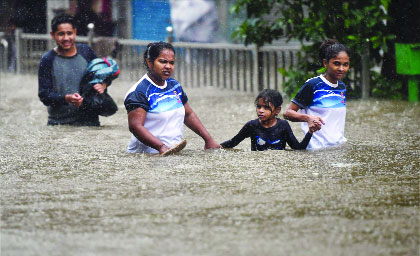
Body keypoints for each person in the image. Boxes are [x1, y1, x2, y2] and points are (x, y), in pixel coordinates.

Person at [124, 41, 221, 154]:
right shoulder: (139, 92)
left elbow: (188, 114)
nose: (168, 66)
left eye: (171, 62)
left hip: (172, 153)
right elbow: (135, 127)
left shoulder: (174, 86)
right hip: (145, 157)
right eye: (163, 62)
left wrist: (208, 140)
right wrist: (161, 147)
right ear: (149, 62)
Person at [38, 14, 108, 126]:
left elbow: (102, 74)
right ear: (52, 35)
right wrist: (67, 98)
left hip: (89, 121)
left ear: (75, 32)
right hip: (60, 122)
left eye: (69, 33)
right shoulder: (47, 60)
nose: (66, 38)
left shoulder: (87, 52)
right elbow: (44, 95)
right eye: (61, 34)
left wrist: (104, 84)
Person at [283, 39, 350, 150]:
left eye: (345, 64)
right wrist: (308, 118)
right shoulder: (313, 85)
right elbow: (287, 113)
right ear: (325, 63)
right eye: (337, 63)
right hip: (316, 149)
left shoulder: (342, 87)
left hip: (338, 148)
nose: (342, 69)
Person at [221, 89, 314, 151]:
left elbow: (298, 149)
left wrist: (310, 132)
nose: (260, 111)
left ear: (277, 110)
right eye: (258, 106)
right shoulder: (251, 126)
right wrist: (216, 147)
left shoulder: (283, 126)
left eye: (266, 107)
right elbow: (233, 142)